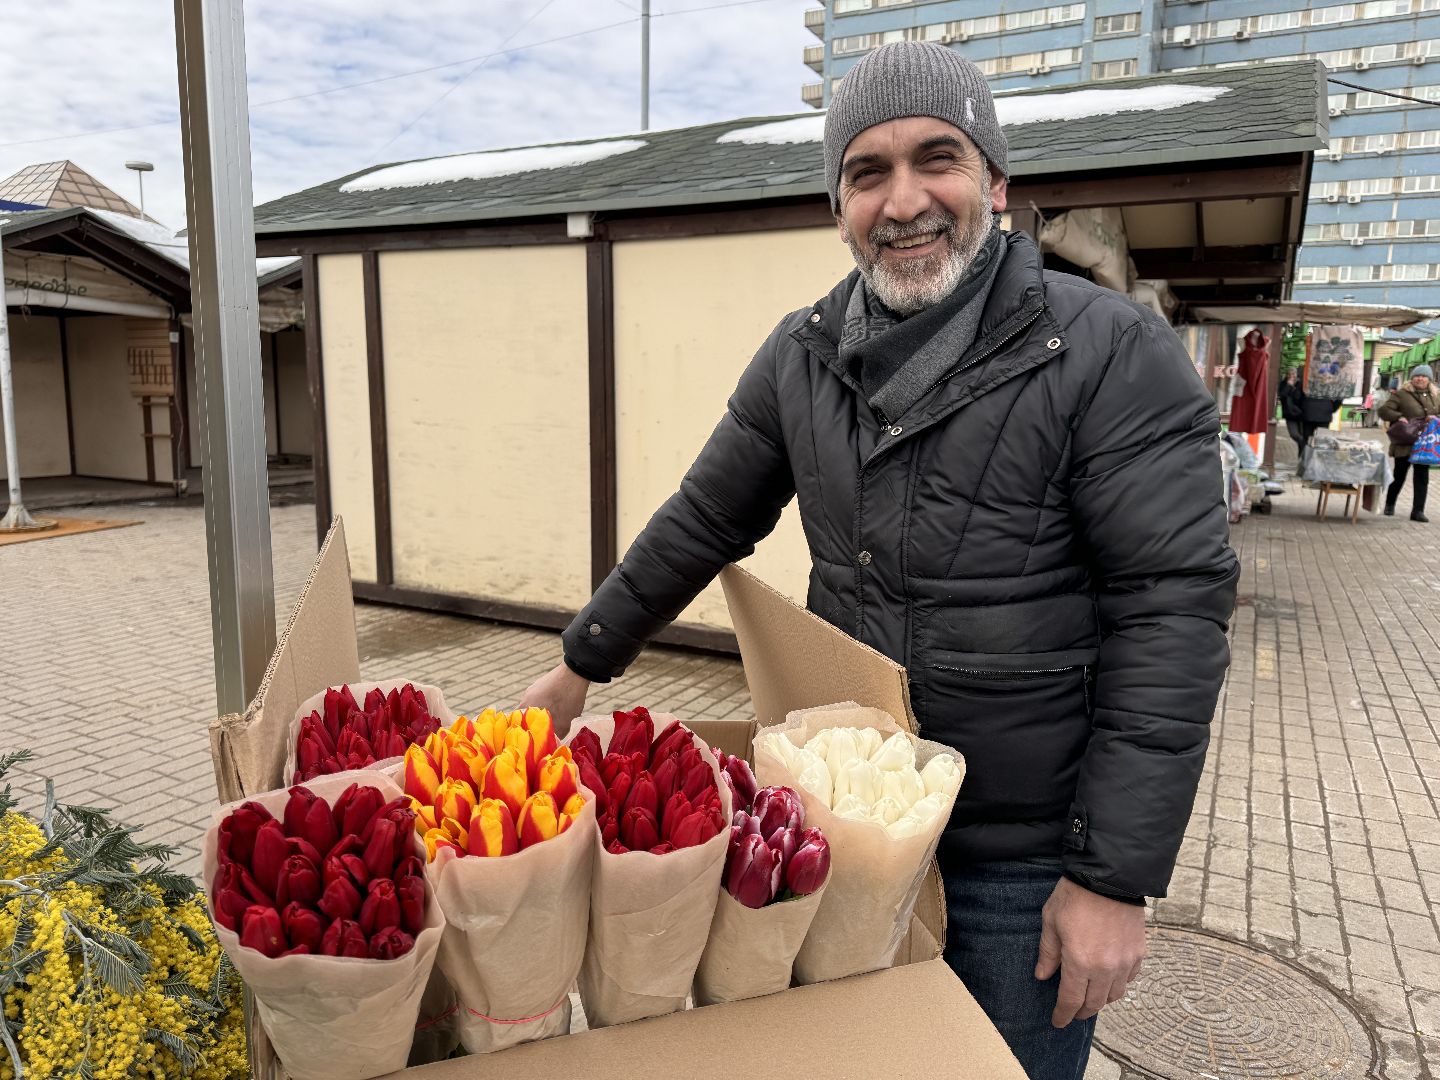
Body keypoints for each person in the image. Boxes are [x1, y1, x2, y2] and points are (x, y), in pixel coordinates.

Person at [521, 42, 1238, 1080]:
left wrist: (1111, 880)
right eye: (868, 172)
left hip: (1020, 862)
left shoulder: (1109, 351)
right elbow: (702, 519)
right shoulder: (804, 354)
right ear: (840, 205)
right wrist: (579, 664)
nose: (905, 201)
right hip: (842, 828)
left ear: (995, 181)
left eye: (936, 159)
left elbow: (1171, 611)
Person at [1379, 362, 1439, 522]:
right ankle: (1390, 504)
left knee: (1422, 478)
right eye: (1417, 376)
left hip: (1425, 444)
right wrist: (1398, 416)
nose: (1420, 379)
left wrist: (1435, 418)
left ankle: (1418, 511)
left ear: (1429, 379)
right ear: (1412, 378)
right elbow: (1383, 410)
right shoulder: (1401, 394)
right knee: (1399, 474)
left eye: (1424, 376)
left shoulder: (1435, 395)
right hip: (1405, 441)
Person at [1277, 367, 1307, 459]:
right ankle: (1305, 448)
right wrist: (1288, 386)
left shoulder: (1300, 384)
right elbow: (1282, 395)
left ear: (1297, 375)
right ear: (1287, 375)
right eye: (1290, 374)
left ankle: (1301, 458)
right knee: (1295, 435)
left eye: (1294, 374)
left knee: (1302, 436)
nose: (1292, 376)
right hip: (1289, 414)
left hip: (1301, 414)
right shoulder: (1283, 384)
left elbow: (1301, 398)